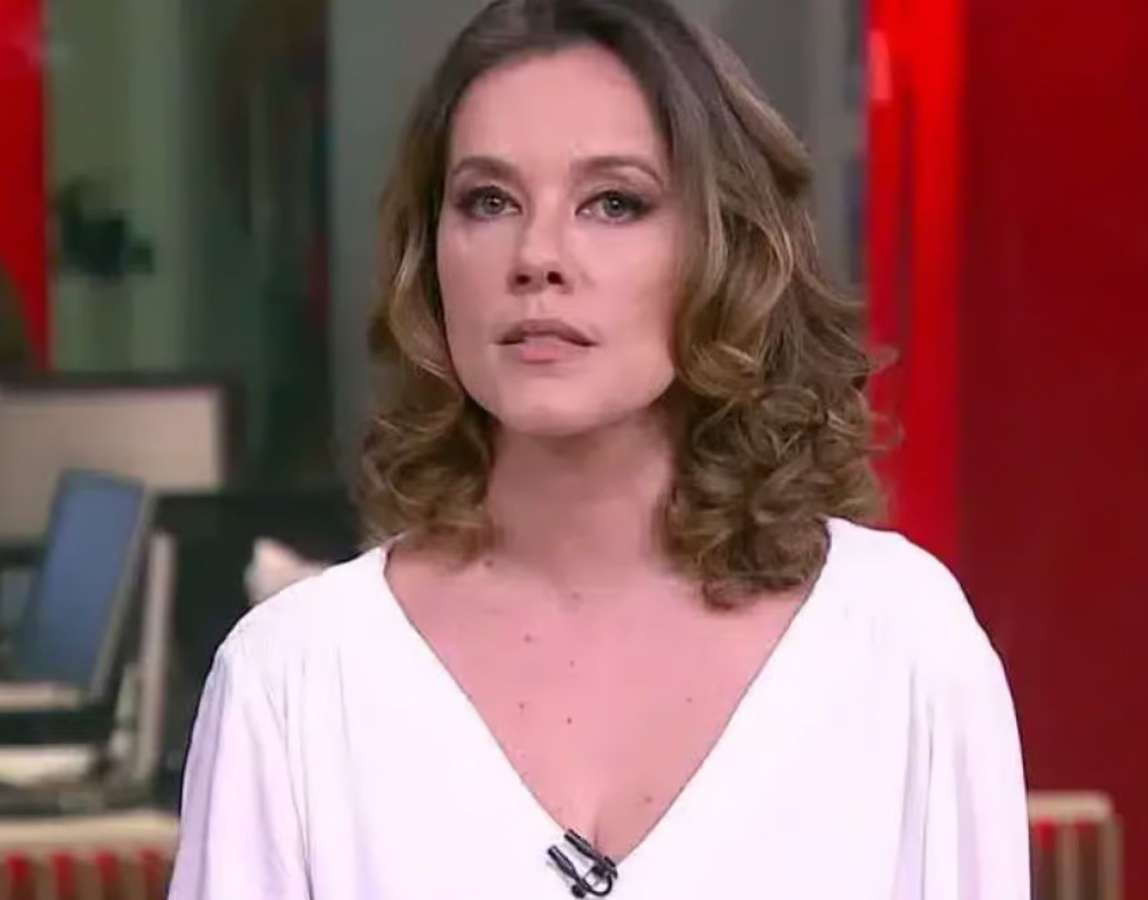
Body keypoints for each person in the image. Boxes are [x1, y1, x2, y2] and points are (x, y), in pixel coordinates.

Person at [169, 0, 1029, 897]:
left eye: (614, 202)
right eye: (489, 201)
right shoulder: (292, 682)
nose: (537, 256)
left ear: (723, 249)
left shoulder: (902, 649)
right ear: (432, 256)